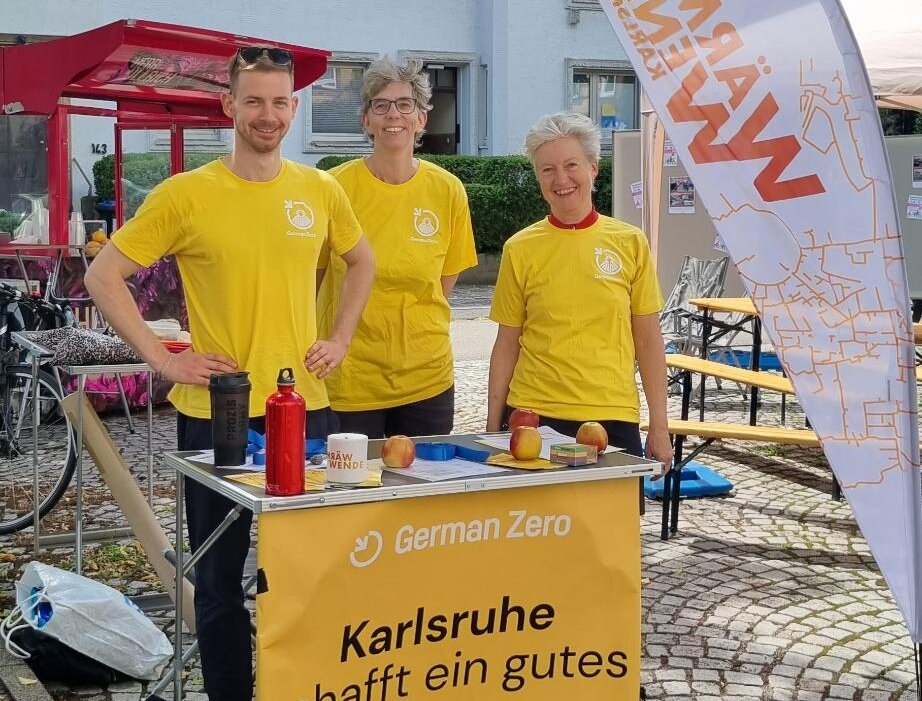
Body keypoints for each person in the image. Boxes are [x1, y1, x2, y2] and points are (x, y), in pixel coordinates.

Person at [85, 46, 375, 701]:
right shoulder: (187, 195)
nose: (267, 114)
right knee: (217, 578)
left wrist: (339, 336)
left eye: (279, 102)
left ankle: (297, 686)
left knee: (304, 569)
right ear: (230, 106)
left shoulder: (319, 190)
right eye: (254, 101)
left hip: (305, 407)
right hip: (214, 411)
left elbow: (362, 262)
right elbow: (105, 277)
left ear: (293, 109)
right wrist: (162, 359)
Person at [486, 112, 672, 469]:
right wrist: (493, 426)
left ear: (593, 168)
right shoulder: (520, 248)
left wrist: (659, 427)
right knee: (537, 525)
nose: (561, 179)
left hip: (612, 414)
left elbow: (648, 339)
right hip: (533, 416)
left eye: (571, 165)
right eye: (547, 169)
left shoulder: (630, 243)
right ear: (538, 177)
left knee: (612, 526)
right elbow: (507, 342)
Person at [316, 57, 478, 438]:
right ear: (366, 119)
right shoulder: (332, 188)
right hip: (350, 381)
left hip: (427, 380)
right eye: (381, 104)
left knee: (420, 491)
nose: (394, 115)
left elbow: (441, 284)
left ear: (421, 119)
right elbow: (314, 278)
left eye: (406, 104)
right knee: (353, 493)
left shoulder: (447, 190)